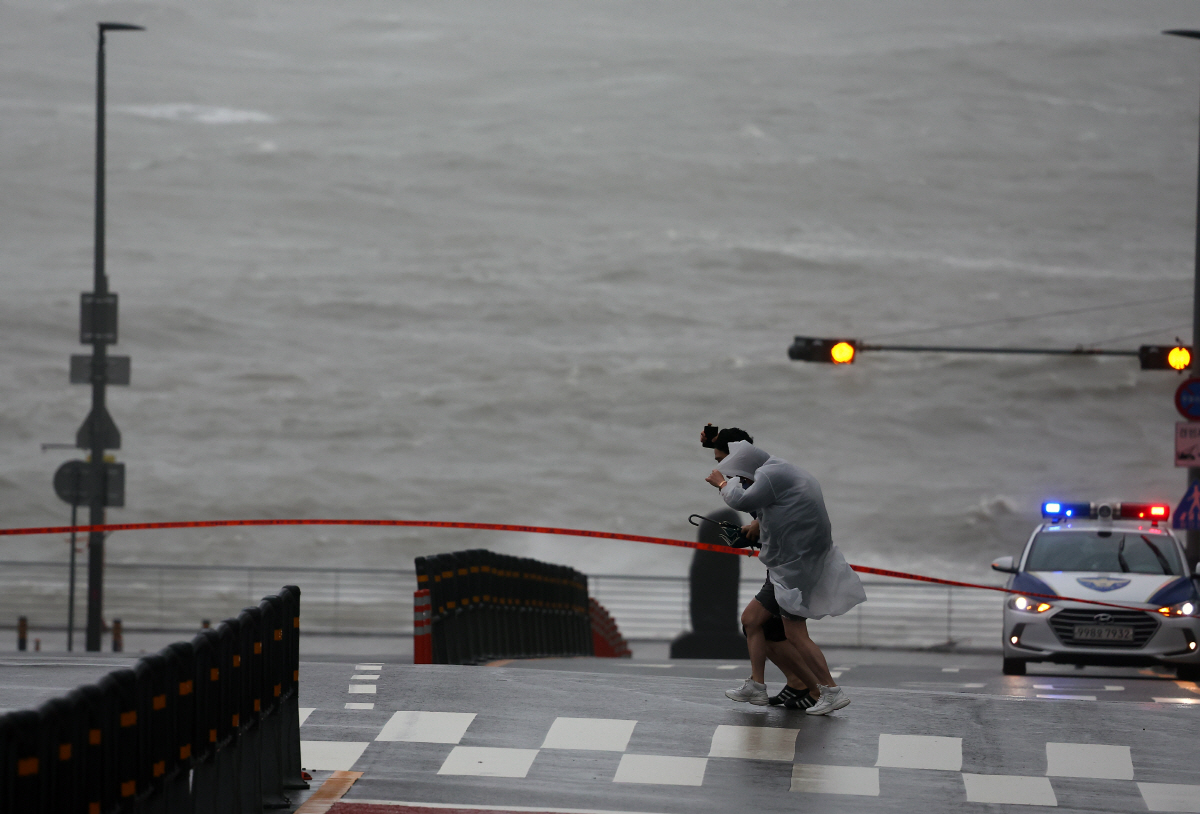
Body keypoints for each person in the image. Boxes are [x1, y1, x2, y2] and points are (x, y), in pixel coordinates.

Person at [705, 438, 866, 715]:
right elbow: (781, 509)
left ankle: (831, 691)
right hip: (787, 565)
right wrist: (758, 523)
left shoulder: (770, 474)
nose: (738, 480)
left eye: (738, 475)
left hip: (795, 568)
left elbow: (741, 500)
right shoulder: (781, 470)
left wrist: (722, 484)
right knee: (751, 620)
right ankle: (757, 685)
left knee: (795, 634)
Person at [701, 428, 817, 710]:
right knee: (767, 631)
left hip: (790, 566)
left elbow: (771, 515)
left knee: (761, 624)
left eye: (722, 459)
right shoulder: (750, 475)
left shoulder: (761, 480)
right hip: (780, 564)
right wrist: (753, 530)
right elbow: (771, 517)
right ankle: (798, 684)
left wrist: (722, 487)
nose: (720, 467)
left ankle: (817, 689)